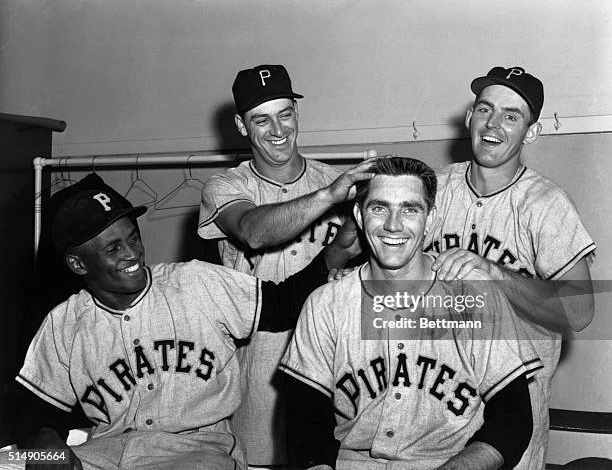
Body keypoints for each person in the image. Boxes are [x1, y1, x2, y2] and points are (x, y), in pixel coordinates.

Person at [15, 174, 359, 470]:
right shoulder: (64, 323)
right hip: (107, 451)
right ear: (78, 264)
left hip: (198, 451)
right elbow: (31, 414)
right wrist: (47, 448)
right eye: (113, 248)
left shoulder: (195, 283)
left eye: (133, 238)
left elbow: (282, 303)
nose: (132, 253)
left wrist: (336, 255)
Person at [280, 156, 543, 470]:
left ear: (430, 220)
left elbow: (512, 419)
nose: (393, 224)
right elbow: (305, 424)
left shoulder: (473, 295)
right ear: (360, 217)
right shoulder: (325, 304)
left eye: (410, 209)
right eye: (379, 208)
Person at [198, 64, 374, 465]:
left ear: (297, 113)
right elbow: (254, 230)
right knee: (262, 460)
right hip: (259, 366)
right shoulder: (226, 187)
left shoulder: (338, 182)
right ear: (242, 127)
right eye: (261, 119)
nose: (277, 130)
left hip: (334, 360)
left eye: (285, 114)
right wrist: (329, 197)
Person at [424, 66, 596, 469]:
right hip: (434, 404)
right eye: (485, 109)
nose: (492, 124)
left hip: (512, 414)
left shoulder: (545, 203)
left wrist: (494, 273)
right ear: (469, 116)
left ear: (531, 132)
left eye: (511, 116)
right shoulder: (433, 188)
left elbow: (581, 310)